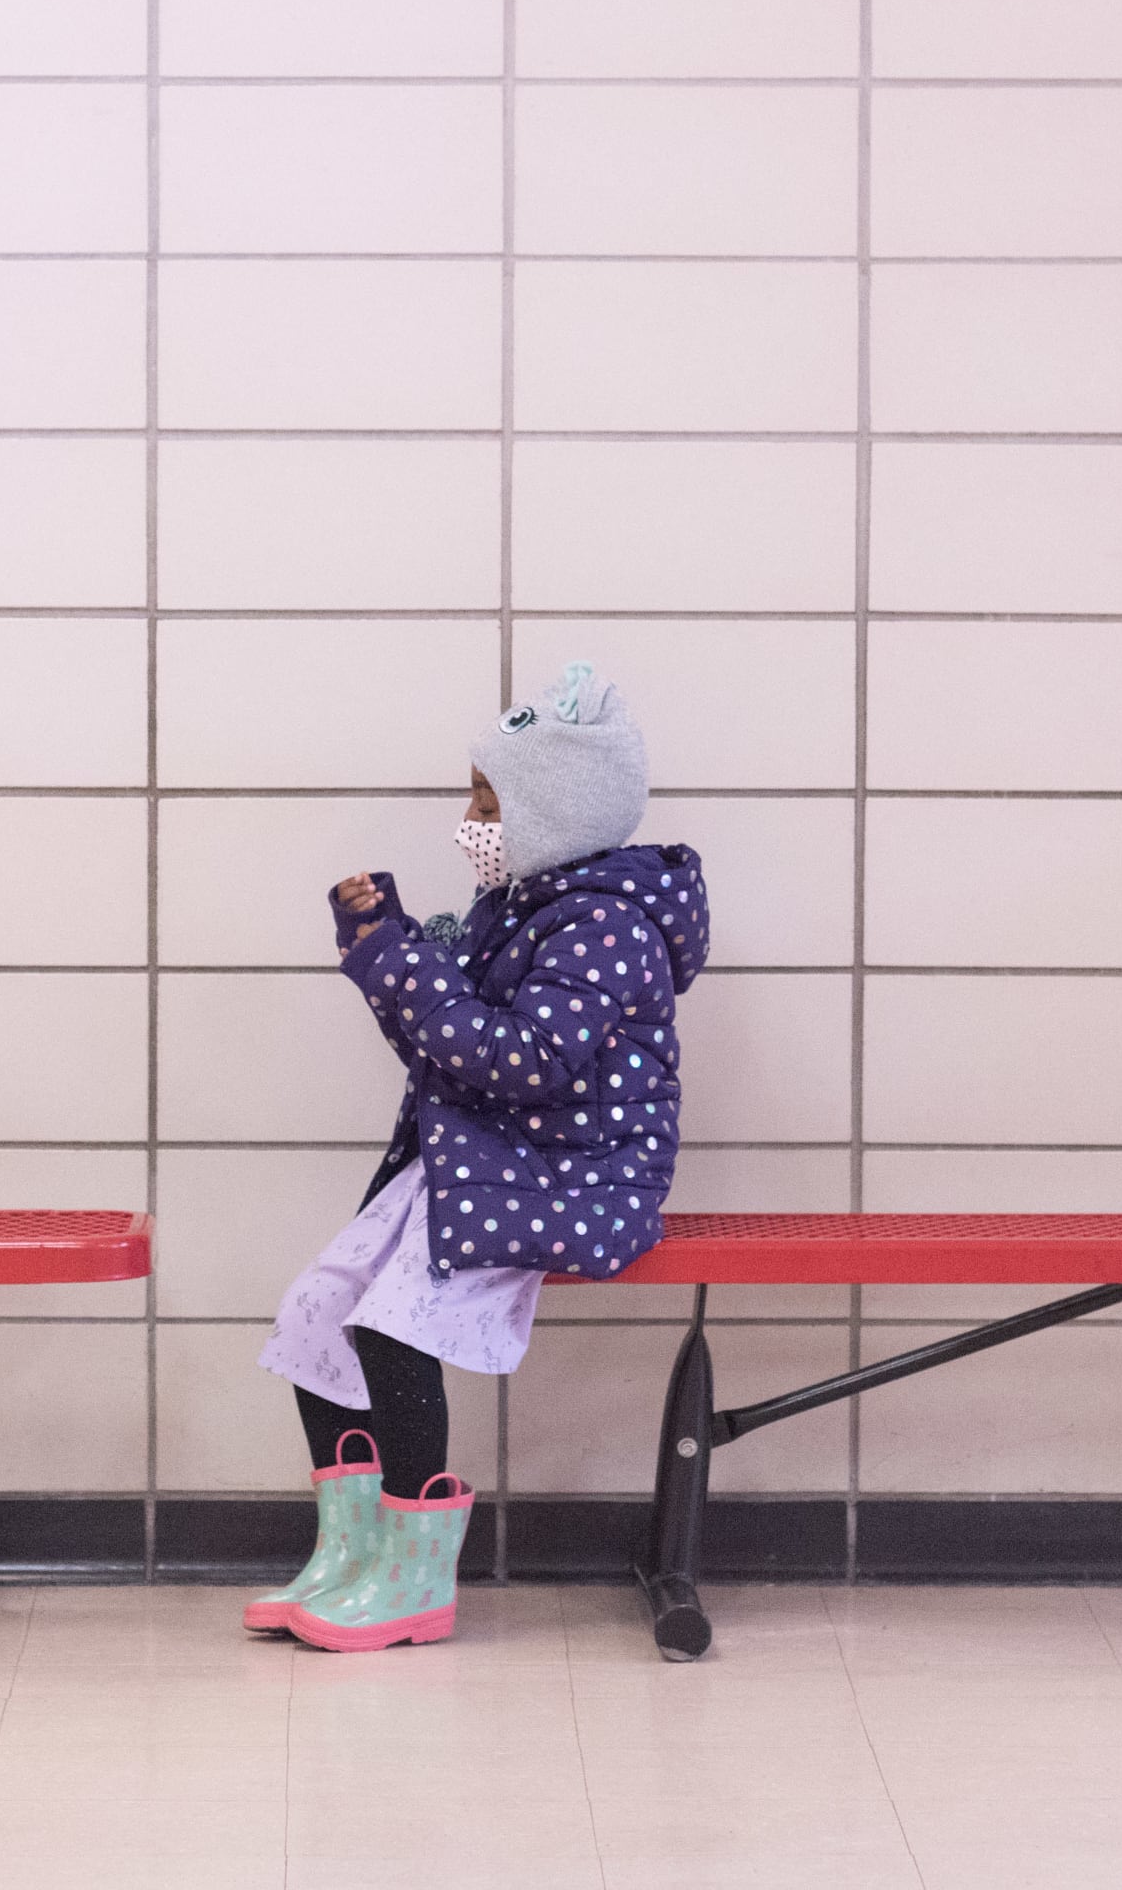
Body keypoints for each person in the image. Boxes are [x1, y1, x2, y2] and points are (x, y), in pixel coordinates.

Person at [246, 665, 710, 1651]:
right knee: (318, 1312)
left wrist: (399, 965)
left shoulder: (606, 924)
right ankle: (353, 1553)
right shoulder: (520, 906)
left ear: (553, 816)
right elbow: (441, 1034)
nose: (470, 821)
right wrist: (383, 940)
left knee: (393, 1333)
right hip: (489, 1155)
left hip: (571, 1172)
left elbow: (521, 1061)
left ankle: (414, 1580)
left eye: (488, 803)